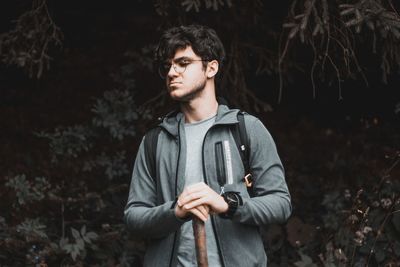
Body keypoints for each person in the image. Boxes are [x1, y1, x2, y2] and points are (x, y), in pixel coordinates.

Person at [124, 24, 291, 267]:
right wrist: (175, 211)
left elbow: (280, 203)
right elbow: (134, 216)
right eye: (168, 65)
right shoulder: (156, 140)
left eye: (183, 63)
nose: (172, 72)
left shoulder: (246, 129)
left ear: (211, 67)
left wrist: (228, 205)